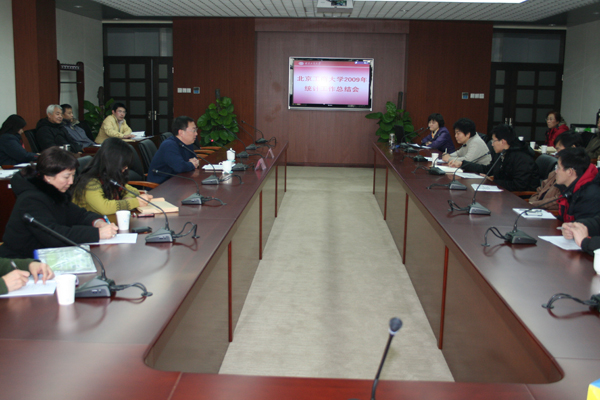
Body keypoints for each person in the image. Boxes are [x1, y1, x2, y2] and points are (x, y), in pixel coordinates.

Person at [0, 147, 118, 259]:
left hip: (48, 257)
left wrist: (98, 222)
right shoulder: (30, 200)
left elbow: (80, 215)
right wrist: (96, 234)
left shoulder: (55, 193)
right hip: (21, 262)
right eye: (66, 177)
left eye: (73, 176)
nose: (71, 182)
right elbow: (53, 235)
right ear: (48, 177)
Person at [72, 137, 153, 214]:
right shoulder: (90, 182)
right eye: (123, 164)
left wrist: (127, 199)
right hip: (89, 222)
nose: (126, 168)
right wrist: (135, 202)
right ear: (113, 162)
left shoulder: (109, 176)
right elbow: (105, 208)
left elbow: (133, 190)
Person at [452, 124, 540, 192]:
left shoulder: (522, 158)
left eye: (494, 141)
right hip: (504, 192)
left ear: (503, 142)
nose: (492, 144)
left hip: (519, 197)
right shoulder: (502, 152)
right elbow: (489, 169)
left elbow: (519, 185)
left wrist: (493, 181)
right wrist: (463, 164)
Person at [529, 132, 583, 210]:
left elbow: (559, 201)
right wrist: (531, 202)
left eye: (559, 149)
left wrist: (534, 204)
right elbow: (539, 190)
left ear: (573, 148)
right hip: (538, 208)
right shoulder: (555, 171)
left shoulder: (573, 174)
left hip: (550, 212)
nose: (557, 153)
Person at [147, 116, 200, 184]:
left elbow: (194, 160)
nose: (196, 133)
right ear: (181, 132)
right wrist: (191, 164)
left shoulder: (188, 143)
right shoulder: (169, 145)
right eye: (193, 130)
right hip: (161, 185)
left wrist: (192, 163)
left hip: (177, 181)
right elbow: (180, 167)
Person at [554, 147, 600, 222]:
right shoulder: (571, 188)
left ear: (569, 171)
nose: (556, 171)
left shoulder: (589, 196)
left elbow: (581, 226)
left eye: (558, 168)